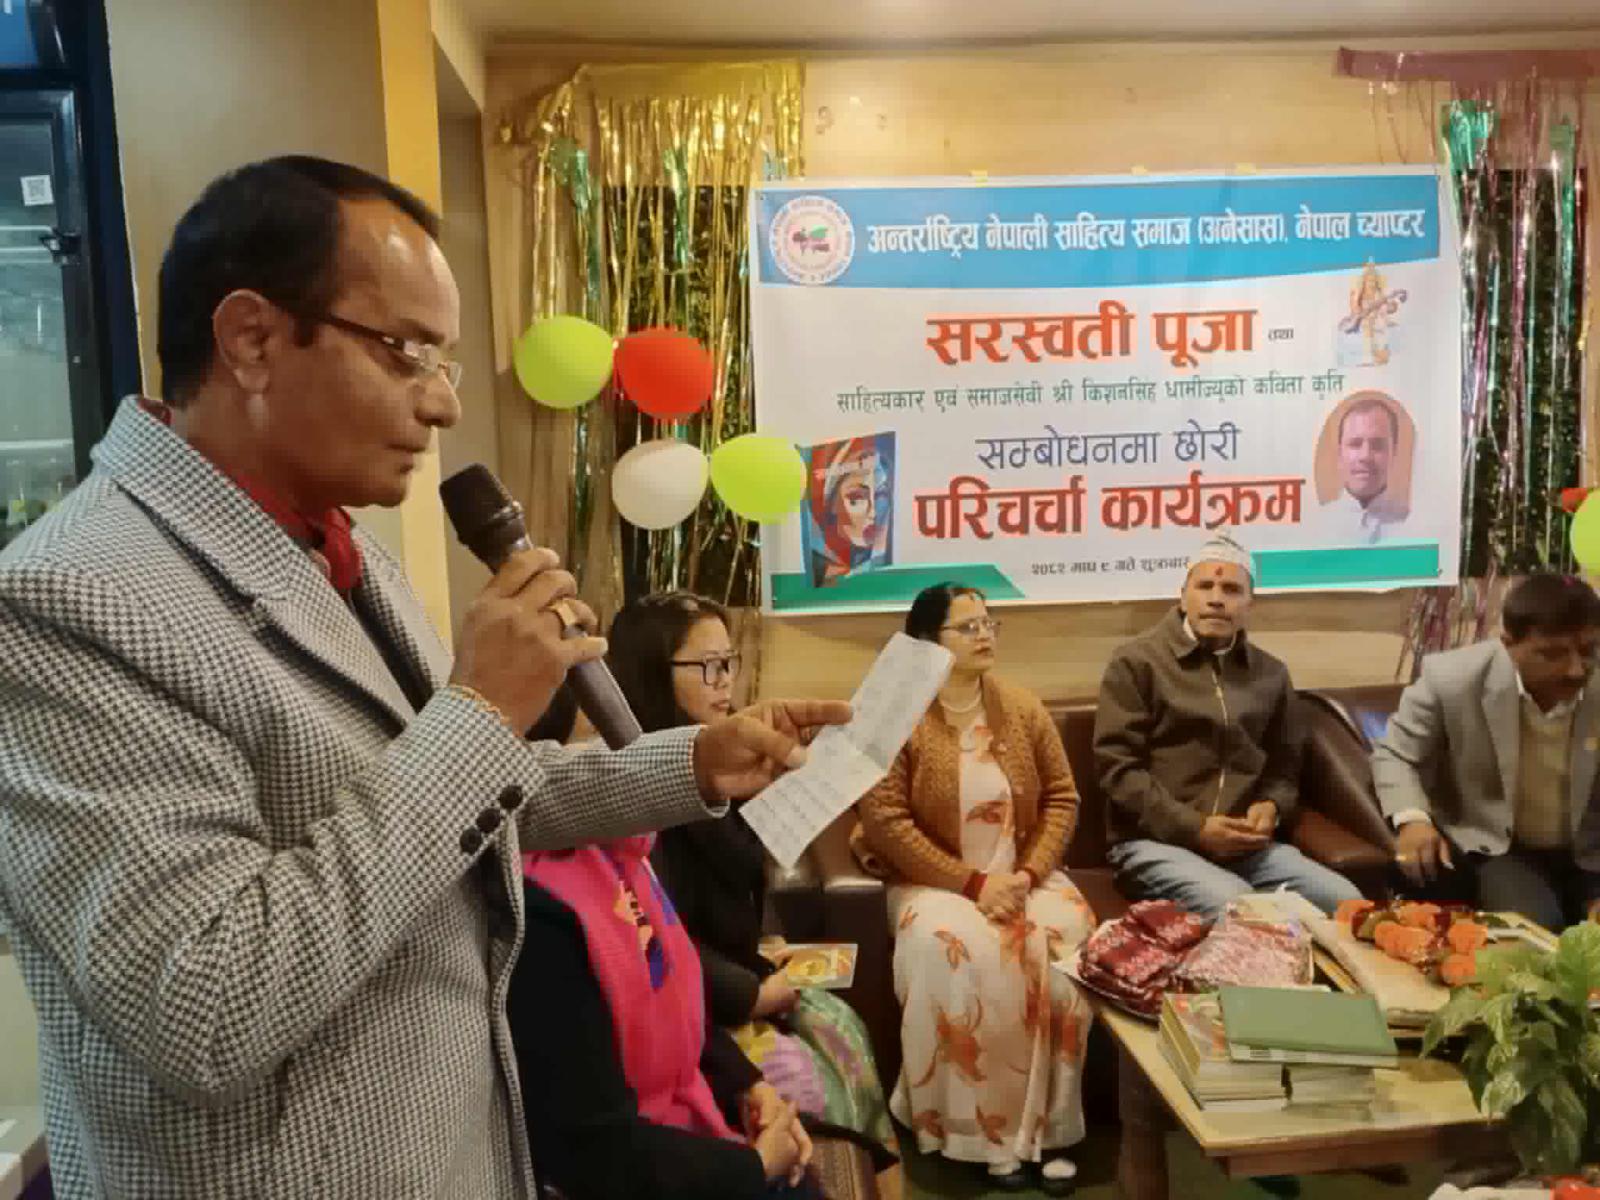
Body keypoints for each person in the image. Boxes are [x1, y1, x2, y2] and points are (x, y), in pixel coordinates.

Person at [0, 156, 848, 1199]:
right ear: (252, 339)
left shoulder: (336, 546)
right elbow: (204, 1004)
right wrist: (482, 710)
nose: (443, 403)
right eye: (406, 353)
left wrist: (694, 762)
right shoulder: (70, 597)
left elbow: (467, 804)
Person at [606, 591, 895, 1158]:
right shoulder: (630, 787)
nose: (724, 683)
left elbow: (738, 878)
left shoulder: (722, 760)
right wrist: (752, 993)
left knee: (844, 1028)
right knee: (809, 1077)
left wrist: (764, 946)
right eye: (706, 666)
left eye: (728, 663)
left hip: (736, 976)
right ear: (650, 673)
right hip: (690, 1016)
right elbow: (650, 935)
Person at [857, 583, 1092, 1195]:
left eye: (989, 623)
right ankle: (984, 1139)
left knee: (1065, 942)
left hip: (1024, 875)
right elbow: (885, 821)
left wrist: (1027, 876)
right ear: (927, 641)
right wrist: (973, 883)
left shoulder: (1021, 707)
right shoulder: (895, 715)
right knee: (962, 950)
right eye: (968, 627)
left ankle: (1051, 1133)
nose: (984, 635)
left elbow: (1063, 798)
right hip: (932, 883)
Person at [1094, 531, 1362, 920]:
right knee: (1240, 909)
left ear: (1250, 603)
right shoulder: (1136, 663)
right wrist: (1195, 828)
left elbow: (1286, 766)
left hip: (1244, 847)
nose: (1216, 599)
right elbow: (1117, 771)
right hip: (1153, 843)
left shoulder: (1270, 674)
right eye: (1205, 586)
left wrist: (1272, 806)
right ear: (1183, 596)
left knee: (1347, 902)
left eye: (1232, 589)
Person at [1374, 574, 1600, 931]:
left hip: (1590, 850)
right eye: (1552, 654)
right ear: (1508, 645)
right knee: (1535, 934)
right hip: (1501, 846)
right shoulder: (1453, 678)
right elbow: (1396, 755)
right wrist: (1413, 819)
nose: (1576, 669)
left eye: (1588, 650)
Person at [1321, 391, 1408, 544]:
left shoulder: (1413, 524)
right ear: (1340, 453)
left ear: (1393, 453)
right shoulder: (1316, 527)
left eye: (1377, 445)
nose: (1365, 456)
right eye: (1355, 444)